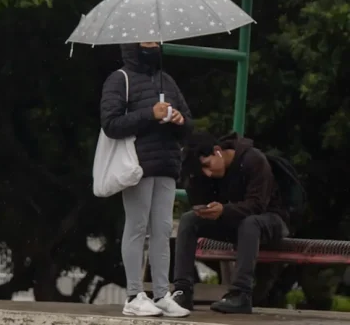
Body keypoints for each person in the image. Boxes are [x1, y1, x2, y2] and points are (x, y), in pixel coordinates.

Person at [100, 42, 193, 317]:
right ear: (133, 43)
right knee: (137, 226)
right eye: (147, 39)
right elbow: (110, 123)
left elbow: (189, 124)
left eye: (155, 39)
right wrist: (149, 114)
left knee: (162, 229)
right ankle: (133, 295)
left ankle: (162, 294)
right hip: (137, 165)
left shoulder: (167, 80)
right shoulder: (120, 79)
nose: (153, 43)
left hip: (167, 164)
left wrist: (179, 120)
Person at [173, 132, 290, 314]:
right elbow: (200, 202)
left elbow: (257, 205)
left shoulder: (253, 160)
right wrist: (195, 180)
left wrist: (224, 210)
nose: (208, 173)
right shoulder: (208, 176)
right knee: (189, 220)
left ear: (217, 151)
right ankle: (182, 291)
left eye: (207, 165)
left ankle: (241, 293)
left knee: (250, 223)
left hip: (270, 220)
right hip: (234, 222)